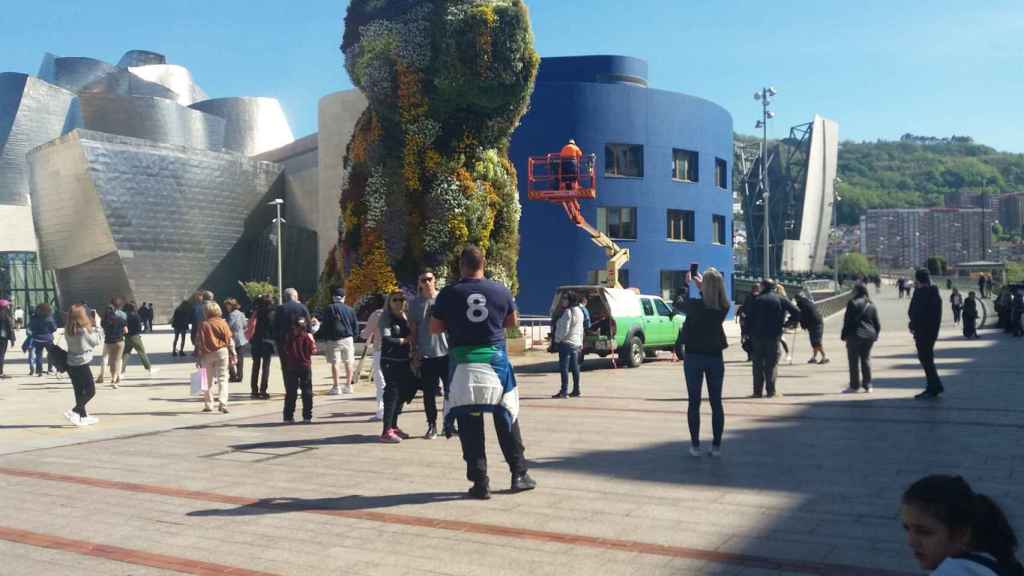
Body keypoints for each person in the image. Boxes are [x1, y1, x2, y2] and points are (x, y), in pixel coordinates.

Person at [431, 245, 535, 499]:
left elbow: (435, 328)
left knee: (469, 420)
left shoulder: (448, 293)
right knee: (506, 415)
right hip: (495, 360)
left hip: (463, 362)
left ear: (461, 265)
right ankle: (519, 474)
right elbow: (512, 324)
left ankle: (480, 481)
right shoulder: (500, 290)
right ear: (484, 263)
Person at [901, 475, 1024, 576]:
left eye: (924, 532)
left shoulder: (955, 572)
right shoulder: (997, 562)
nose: (911, 542)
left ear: (961, 534)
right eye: (907, 528)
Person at [679, 268, 730, 457]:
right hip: (715, 357)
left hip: (693, 357)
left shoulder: (694, 305)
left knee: (694, 402)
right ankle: (716, 447)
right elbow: (712, 302)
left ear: (704, 285)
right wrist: (703, 288)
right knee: (716, 402)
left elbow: (678, 304)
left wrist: (686, 285)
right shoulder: (723, 307)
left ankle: (695, 445)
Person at [409, 272, 448, 439]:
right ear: (419, 283)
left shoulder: (444, 299)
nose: (426, 283)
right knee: (428, 393)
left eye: (429, 279)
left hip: (446, 352)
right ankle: (431, 425)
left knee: (451, 391)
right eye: (423, 280)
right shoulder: (415, 304)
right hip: (426, 354)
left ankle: (449, 423)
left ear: (435, 281)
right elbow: (413, 329)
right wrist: (414, 351)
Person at [746, 278, 800, 398]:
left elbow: (748, 318)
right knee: (772, 363)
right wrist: (787, 324)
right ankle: (771, 391)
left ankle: (757, 392)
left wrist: (747, 334)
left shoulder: (756, 299)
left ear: (764, 287)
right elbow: (796, 312)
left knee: (757, 364)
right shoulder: (780, 299)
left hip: (757, 336)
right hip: (774, 336)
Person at [378, 291, 417, 443]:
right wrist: (404, 341)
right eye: (395, 299)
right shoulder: (386, 317)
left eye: (402, 299)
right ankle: (386, 430)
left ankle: (393, 426)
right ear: (389, 301)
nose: (399, 302)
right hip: (390, 360)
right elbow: (387, 339)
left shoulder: (405, 316)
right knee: (392, 394)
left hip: (404, 360)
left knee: (402, 394)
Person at [62, 304, 103, 426]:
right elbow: (97, 341)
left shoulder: (68, 329)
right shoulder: (84, 331)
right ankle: (74, 411)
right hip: (82, 363)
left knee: (79, 391)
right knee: (91, 391)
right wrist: (98, 326)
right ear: (82, 316)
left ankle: (83, 416)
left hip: (71, 363)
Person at [316, 287, 359, 395]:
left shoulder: (330, 308)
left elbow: (325, 325)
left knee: (335, 363)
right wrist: (354, 336)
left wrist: (322, 336)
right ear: (344, 298)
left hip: (334, 340)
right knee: (349, 362)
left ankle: (336, 387)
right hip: (348, 339)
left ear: (333, 297)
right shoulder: (350, 309)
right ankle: (348, 386)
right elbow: (355, 326)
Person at [195, 301, 236, 413]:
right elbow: (229, 340)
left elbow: (199, 342)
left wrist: (198, 358)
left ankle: (208, 404)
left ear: (206, 312)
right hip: (222, 351)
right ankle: (223, 403)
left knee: (205, 380)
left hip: (206, 353)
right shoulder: (223, 323)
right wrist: (233, 353)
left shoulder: (203, 324)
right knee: (223, 378)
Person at [909, 268, 944, 399]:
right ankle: (933, 386)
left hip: (922, 332)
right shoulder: (935, 293)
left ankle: (934, 387)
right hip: (931, 332)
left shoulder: (921, 293)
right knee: (927, 359)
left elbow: (913, 312)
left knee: (926, 360)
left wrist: (913, 325)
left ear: (918, 279)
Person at [840, 283, 881, 393]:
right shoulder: (871, 304)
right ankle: (868, 385)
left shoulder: (852, 303)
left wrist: (843, 335)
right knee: (866, 359)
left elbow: (847, 321)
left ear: (857, 291)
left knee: (853, 361)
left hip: (855, 335)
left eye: (853, 290)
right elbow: (877, 323)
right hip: (869, 336)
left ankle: (854, 386)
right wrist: (876, 335)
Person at [282, 316, 316, 423]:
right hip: (305, 365)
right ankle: (307, 416)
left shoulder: (289, 337)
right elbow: (312, 350)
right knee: (307, 391)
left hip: (292, 366)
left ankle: (288, 416)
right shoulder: (307, 337)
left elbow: (286, 350)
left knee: (291, 391)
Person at [273, 288, 312, 378]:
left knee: (286, 366)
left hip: (285, 342)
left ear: (285, 297)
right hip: (301, 342)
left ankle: (290, 388)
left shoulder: (280, 309)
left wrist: (277, 341)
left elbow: (275, 327)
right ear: (295, 296)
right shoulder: (302, 307)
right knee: (303, 364)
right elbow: (309, 327)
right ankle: (304, 387)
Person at [551, 292, 583, 399]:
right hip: (576, 344)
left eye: (565, 299)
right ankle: (576, 390)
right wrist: (580, 342)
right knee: (575, 369)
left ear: (571, 300)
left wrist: (557, 340)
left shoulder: (568, 312)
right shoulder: (580, 311)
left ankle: (564, 391)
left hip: (566, 344)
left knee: (564, 368)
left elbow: (564, 330)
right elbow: (581, 330)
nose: (563, 301)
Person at [361, 300, 387, 421]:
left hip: (381, 350)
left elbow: (366, 334)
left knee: (380, 382)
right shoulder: (402, 313)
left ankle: (382, 411)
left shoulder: (378, 314)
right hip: (399, 351)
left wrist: (362, 333)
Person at [248, 294, 275, 399]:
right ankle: (263, 390)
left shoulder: (256, 312)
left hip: (256, 341)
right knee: (266, 367)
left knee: (255, 366)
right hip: (267, 342)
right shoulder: (272, 313)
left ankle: (254, 390)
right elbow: (274, 328)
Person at [121, 302, 158, 377]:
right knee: (141, 352)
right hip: (135, 336)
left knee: (125, 353)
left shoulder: (124, 316)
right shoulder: (136, 315)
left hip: (127, 337)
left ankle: (121, 371)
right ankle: (149, 368)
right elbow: (139, 327)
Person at [795, 292, 828, 364]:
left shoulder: (803, 305)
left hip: (816, 324)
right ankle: (814, 357)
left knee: (816, 341)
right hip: (815, 323)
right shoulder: (808, 303)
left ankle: (824, 357)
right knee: (814, 342)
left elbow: (803, 316)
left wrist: (802, 324)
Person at [99, 304, 127, 388]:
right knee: (118, 360)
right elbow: (126, 331)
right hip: (119, 342)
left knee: (111, 361)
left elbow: (104, 331)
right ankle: (117, 376)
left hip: (109, 342)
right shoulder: (121, 319)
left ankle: (113, 378)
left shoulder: (103, 321)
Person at [28, 303, 57, 377]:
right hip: (48, 339)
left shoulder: (34, 318)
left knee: (39, 355)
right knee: (51, 354)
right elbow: (54, 328)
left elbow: (31, 327)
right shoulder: (49, 318)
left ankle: (39, 371)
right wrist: (49, 332)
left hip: (37, 339)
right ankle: (50, 369)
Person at [223, 298, 248, 383]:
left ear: (231, 306)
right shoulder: (241, 314)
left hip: (232, 339)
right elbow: (245, 325)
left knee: (230, 357)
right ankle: (240, 376)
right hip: (241, 338)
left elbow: (227, 327)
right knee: (240, 359)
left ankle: (233, 375)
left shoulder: (231, 315)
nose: (226, 308)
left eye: (227, 306)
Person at [736, 284, 760, 362]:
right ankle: (750, 356)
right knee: (747, 340)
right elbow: (745, 308)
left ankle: (755, 356)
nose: (755, 290)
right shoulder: (749, 297)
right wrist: (743, 319)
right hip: (748, 322)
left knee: (755, 340)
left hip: (756, 322)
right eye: (754, 288)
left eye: (756, 288)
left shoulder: (760, 297)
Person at [0, 301, 15, 379]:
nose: (9, 307)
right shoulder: (5, 315)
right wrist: (12, 339)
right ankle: (1, 372)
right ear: (4, 307)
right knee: (1, 355)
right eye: (8, 305)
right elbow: (10, 328)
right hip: (2, 338)